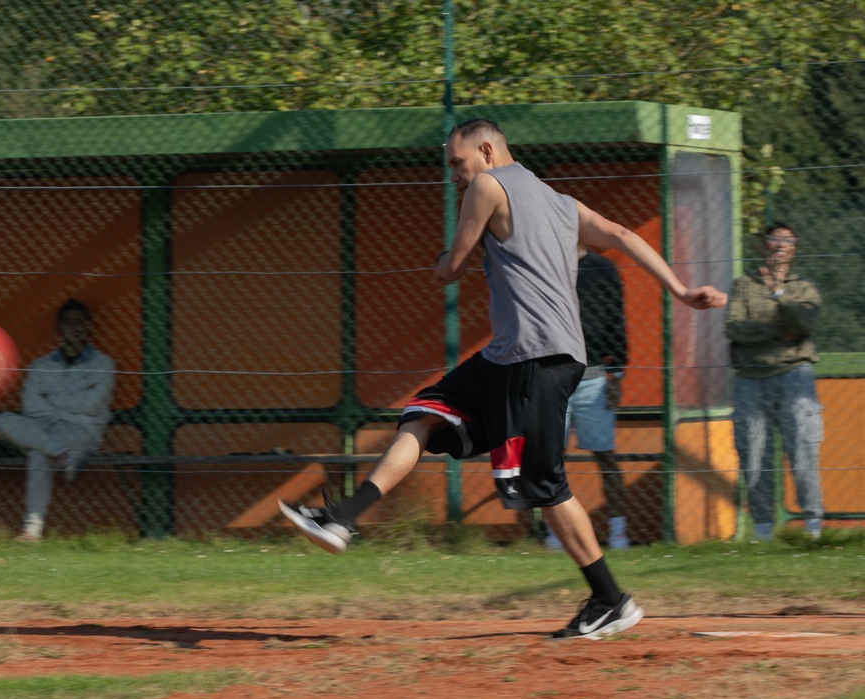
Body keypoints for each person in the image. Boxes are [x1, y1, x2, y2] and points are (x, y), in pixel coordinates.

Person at [280, 118, 726, 640]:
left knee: (544, 485)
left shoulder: (488, 186)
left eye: (456, 163)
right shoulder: (561, 203)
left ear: (486, 151)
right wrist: (678, 289)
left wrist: (441, 263)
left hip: (536, 361)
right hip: (509, 359)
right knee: (425, 414)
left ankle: (610, 599)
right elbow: (622, 236)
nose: (454, 177)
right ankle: (343, 518)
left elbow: (452, 268)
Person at [725, 222, 824, 541]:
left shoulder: (803, 287)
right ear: (763, 246)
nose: (780, 245)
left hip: (795, 375)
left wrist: (780, 296)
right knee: (753, 454)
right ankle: (763, 532)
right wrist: (781, 330)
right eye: (773, 240)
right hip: (750, 379)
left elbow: (806, 322)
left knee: (803, 450)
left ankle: (813, 529)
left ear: (794, 248)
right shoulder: (743, 285)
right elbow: (734, 329)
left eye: (787, 240)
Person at [0, 299, 115, 541]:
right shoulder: (40, 365)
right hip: (43, 428)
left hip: (81, 430)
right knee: (3, 419)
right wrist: (71, 404)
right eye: (69, 322)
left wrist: (52, 401)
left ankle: (31, 530)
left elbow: (92, 406)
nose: (75, 327)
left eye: (80, 322)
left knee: (38, 453)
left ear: (88, 326)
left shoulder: (103, 364)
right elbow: (30, 408)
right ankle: (62, 454)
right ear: (60, 327)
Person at [546, 245, 630, 551]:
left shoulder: (602, 268)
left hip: (594, 376)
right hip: (551, 375)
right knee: (550, 457)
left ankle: (618, 532)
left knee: (605, 454)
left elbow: (616, 319)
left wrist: (616, 374)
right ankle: (556, 533)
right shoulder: (544, 262)